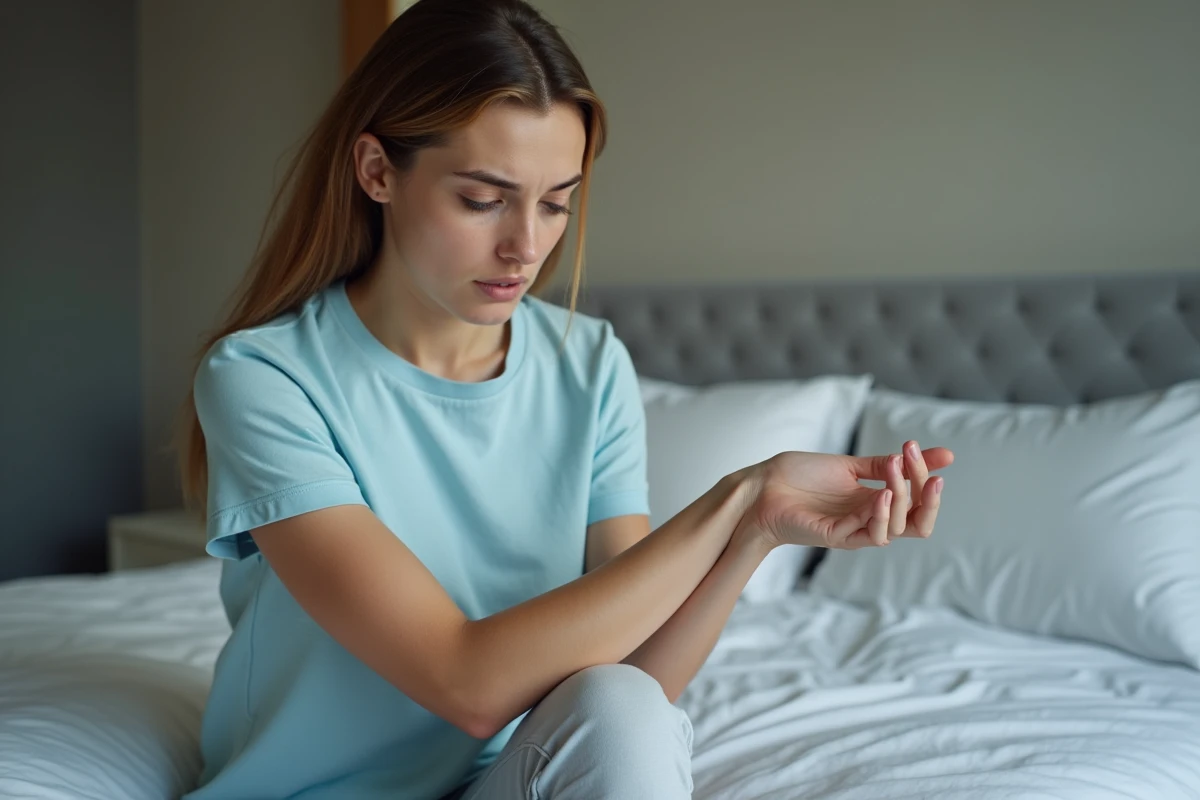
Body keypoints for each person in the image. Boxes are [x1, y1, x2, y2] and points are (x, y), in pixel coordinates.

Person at [176, 0, 952, 797]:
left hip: (508, 783)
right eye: (483, 199)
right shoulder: (264, 377)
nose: (527, 245)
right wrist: (736, 493)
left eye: (555, 202)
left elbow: (633, 681)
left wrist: (754, 530)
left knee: (622, 708)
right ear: (377, 171)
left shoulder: (589, 362)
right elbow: (464, 682)